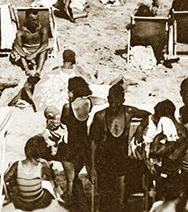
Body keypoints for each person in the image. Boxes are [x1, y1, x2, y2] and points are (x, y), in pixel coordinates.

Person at [89, 82, 147, 212]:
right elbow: (93, 142)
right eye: (111, 102)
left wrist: (140, 129)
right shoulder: (100, 116)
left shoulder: (129, 112)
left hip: (121, 160)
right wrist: (92, 168)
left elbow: (149, 115)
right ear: (108, 99)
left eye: (118, 103)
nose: (114, 106)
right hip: (103, 161)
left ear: (123, 100)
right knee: (105, 199)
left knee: (120, 201)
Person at [59, 77, 95, 208]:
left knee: (70, 179)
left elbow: (63, 122)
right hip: (85, 145)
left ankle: (69, 204)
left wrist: (70, 99)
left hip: (71, 146)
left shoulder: (68, 107)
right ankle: (81, 202)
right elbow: (100, 99)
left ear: (72, 91)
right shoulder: (89, 102)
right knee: (76, 177)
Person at [4, 136, 56, 211]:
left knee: (15, 191)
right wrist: (49, 166)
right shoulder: (42, 166)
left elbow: (4, 179)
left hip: (21, 202)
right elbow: (52, 177)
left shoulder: (17, 164)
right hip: (38, 202)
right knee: (48, 192)